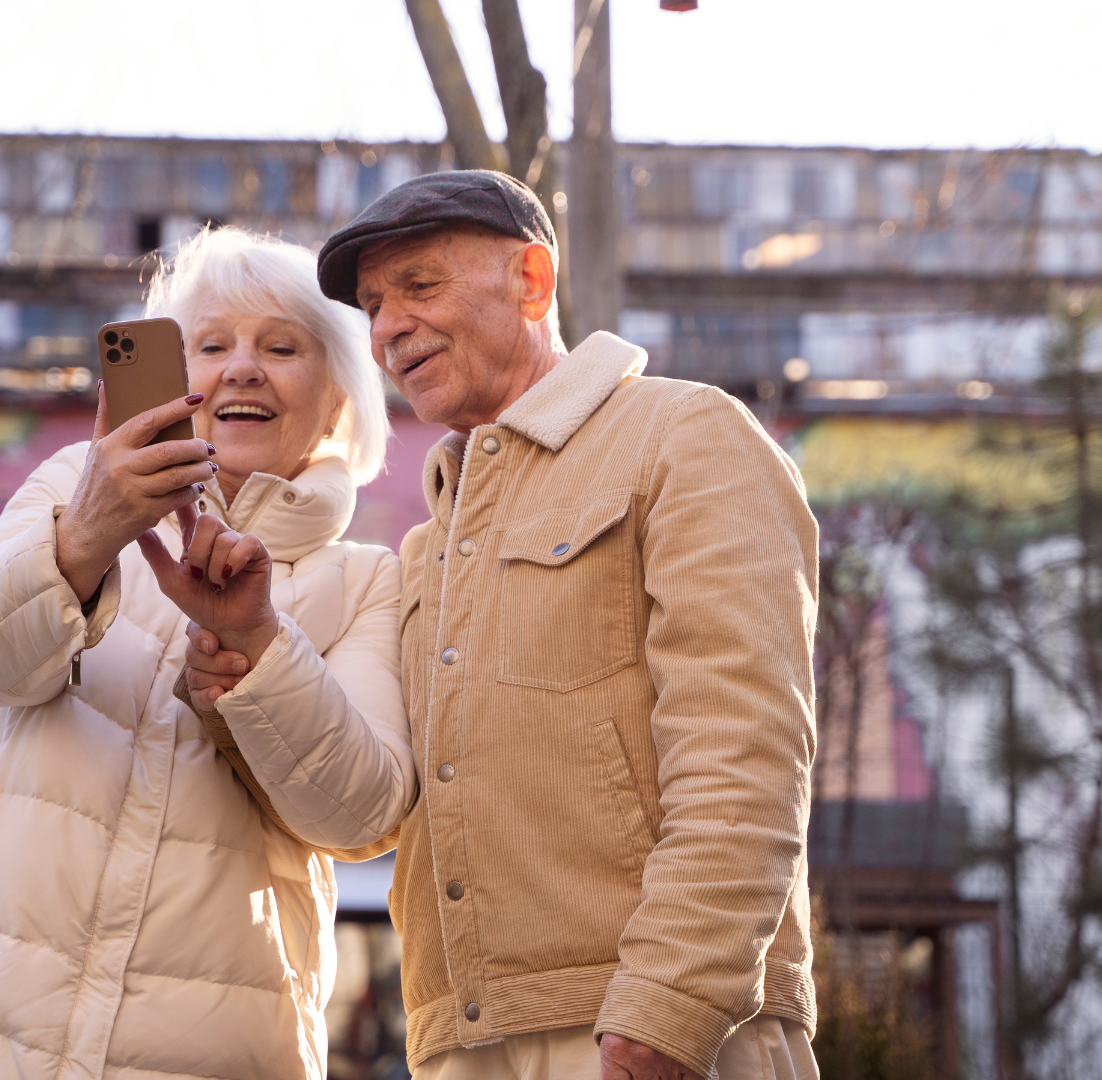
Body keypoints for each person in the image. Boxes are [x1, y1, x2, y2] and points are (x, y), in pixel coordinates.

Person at [185, 171, 821, 1080]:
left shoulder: (684, 435)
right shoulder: (423, 547)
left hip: (648, 1030)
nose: (388, 328)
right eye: (372, 306)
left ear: (532, 280)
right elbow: (378, 819)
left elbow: (744, 747)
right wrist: (245, 662)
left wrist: (670, 1006)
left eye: (420, 286)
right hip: (460, 1044)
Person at [0, 227, 416, 1080]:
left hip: (211, 1051)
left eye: (282, 347)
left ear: (337, 404)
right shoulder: (72, 483)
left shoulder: (368, 583)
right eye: (210, 346)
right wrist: (88, 539)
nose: (242, 368)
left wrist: (257, 651)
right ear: (171, 378)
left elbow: (361, 818)